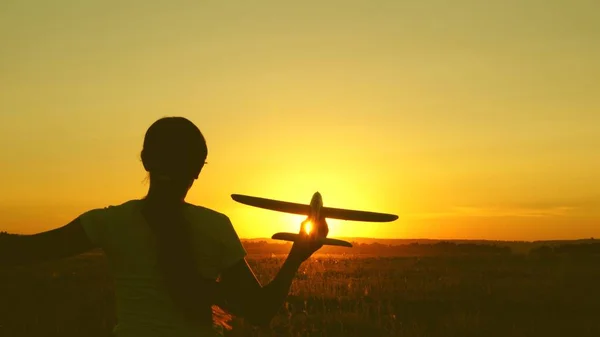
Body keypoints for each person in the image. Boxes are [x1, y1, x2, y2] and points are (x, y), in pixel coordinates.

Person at [0, 116, 327, 336]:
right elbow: (259, 312)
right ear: (198, 169)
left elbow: (24, 251)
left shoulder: (108, 222)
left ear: (146, 160)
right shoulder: (216, 227)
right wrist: (297, 254)